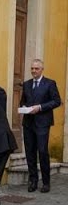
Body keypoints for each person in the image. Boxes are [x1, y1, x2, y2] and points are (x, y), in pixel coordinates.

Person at [19, 58, 62, 193]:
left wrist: (41, 107)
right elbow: (23, 102)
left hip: (43, 123)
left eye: (36, 68)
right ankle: (33, 181)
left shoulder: (49, 83)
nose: (33, 71)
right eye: (32, 68)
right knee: (30, 152)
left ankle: (46, 182)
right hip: (28, 123)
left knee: (42, 152)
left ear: (42, 69)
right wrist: (23, 108)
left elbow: (56, 101)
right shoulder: (26, 84)